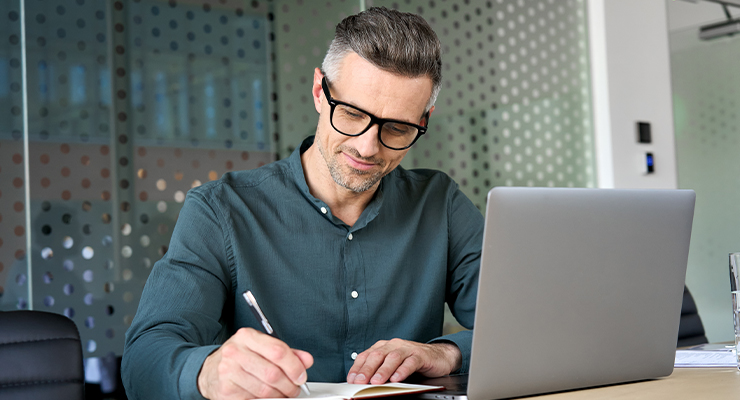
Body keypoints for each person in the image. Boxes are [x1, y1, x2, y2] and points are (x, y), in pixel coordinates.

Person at [122, 7, 483, 400]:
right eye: (351, 113)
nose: (367, 147)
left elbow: (527, 331)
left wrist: (446, 352)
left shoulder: (440, 205)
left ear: (424, 121)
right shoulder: (221, 210)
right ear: (319, 91)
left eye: (397, 128)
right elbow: (144, 358)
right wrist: (206, 373)